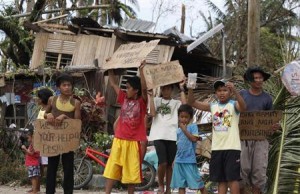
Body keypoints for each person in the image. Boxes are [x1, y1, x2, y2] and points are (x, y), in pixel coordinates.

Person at [188, 80, 246, 194]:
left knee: (232, 180)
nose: (222, 93)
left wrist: (235, 91)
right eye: (219, 90)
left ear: (230, 92)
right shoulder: (213, 106)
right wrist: (190, 87)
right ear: (215, 93)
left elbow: (243, 107)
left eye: (225, 90)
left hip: (232, 148)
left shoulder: (233, 105)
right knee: (221, 180)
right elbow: (192, 102)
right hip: (217, 148)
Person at [103, 61, 148, 194]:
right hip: (119, 139)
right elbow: (113, 83)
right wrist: (110, 67)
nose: (126, 89)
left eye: (128, 87)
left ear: (136, 90)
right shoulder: (123, 98)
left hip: (133, 142)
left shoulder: (142, 102)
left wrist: (142, 71)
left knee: (131, 173)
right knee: (112, 169)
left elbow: (145, 89)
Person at [240, 67, 276, 194]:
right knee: (242, 170)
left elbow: (270, 119)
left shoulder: (267, 98)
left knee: (259, 172)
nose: (259, 80)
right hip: (243, 139)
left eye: (260, 78)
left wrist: (272, 127)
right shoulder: (242, 94)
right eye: (256, 78)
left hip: (261, 140)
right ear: (250, 80)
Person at [44, 73, 81, 194]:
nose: (67, 87)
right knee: (51, 168)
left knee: (68, 169)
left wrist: (65, 116)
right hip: (53, 139)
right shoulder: (52, 100)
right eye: (64, 85)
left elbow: (77, 123)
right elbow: (44, 114)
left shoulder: (75, 103)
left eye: (69, 85)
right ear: (58, 88)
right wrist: (47, 114)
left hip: (68, 140)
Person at [148, 82, 186, 194]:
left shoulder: (176, 103)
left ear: (172, 90)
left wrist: (182, 88)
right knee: (162, 162)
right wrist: (150, 96)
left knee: (169, 164)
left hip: (173, 136)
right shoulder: (155, 100)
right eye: (163, 89)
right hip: (159, 135)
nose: (165, 91)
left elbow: (185, 107)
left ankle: (168, 188)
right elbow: (153, 114)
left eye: (168, 89)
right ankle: (160, 185)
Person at [170, 104, 208, 194]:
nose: (183, 119)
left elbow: (194, 139)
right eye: (181, 117)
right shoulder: (178, 130)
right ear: (178, 117)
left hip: (189, 160)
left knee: (199, 184)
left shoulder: (193, 127)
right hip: (179, 161)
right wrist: (174, 159)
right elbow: (178, 146)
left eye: (186, 117)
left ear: (190, 118)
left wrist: (184, 129)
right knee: (181, 185)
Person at [36, 88, 53, 183]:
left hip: (46, 141)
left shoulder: (48, 111)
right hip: (40, 140)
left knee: (46, 164)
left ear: (42, 99)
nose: (37, 99)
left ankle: (49, 184)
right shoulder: (41, 109)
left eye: (38, 98)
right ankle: (37, 186)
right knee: (40, 164)